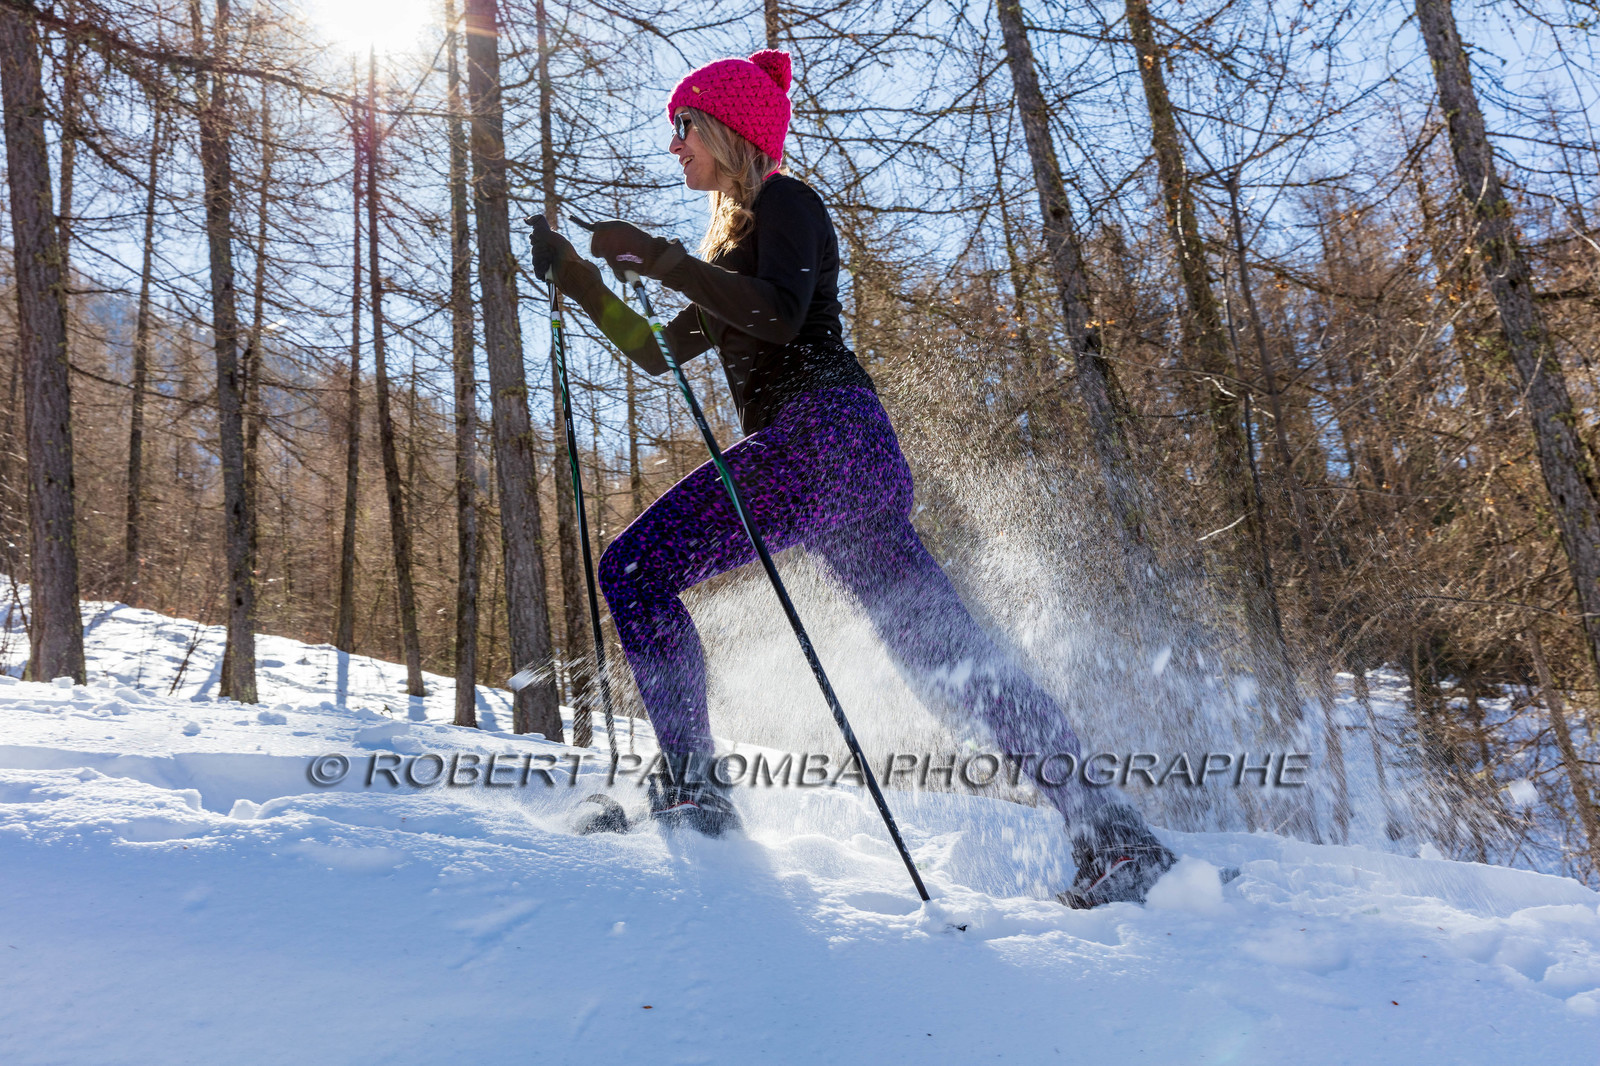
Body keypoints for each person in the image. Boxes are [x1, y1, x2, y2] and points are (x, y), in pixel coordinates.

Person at [528, 49, 1175, 907]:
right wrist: (576, 278)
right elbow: (654, 353)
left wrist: (660, 258)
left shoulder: (786, 203)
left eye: (683, 126)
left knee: (635, 570)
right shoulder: (732, 246)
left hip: (823, 440)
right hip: (847, 464)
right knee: (944, 655)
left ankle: (692, 785)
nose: (674, 145)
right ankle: (1110, 835)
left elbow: (781, 315)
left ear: (728, 128)